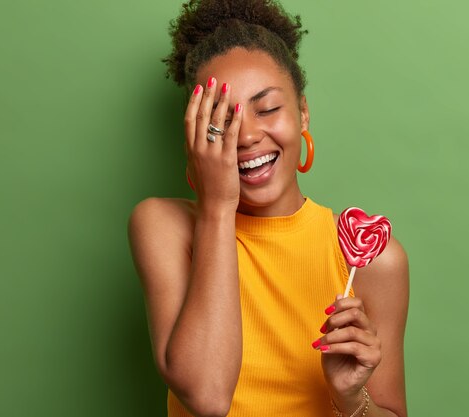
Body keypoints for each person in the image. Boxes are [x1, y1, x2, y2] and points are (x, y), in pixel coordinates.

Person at [128, 1, 409, 416]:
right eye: (221, 122)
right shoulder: (164, 227)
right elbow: (207, 398)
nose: (247, 137)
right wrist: (218, 206)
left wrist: (351, 398)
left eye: (268, 109)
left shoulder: (372, 261)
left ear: (303, 114)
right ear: (193, 135)